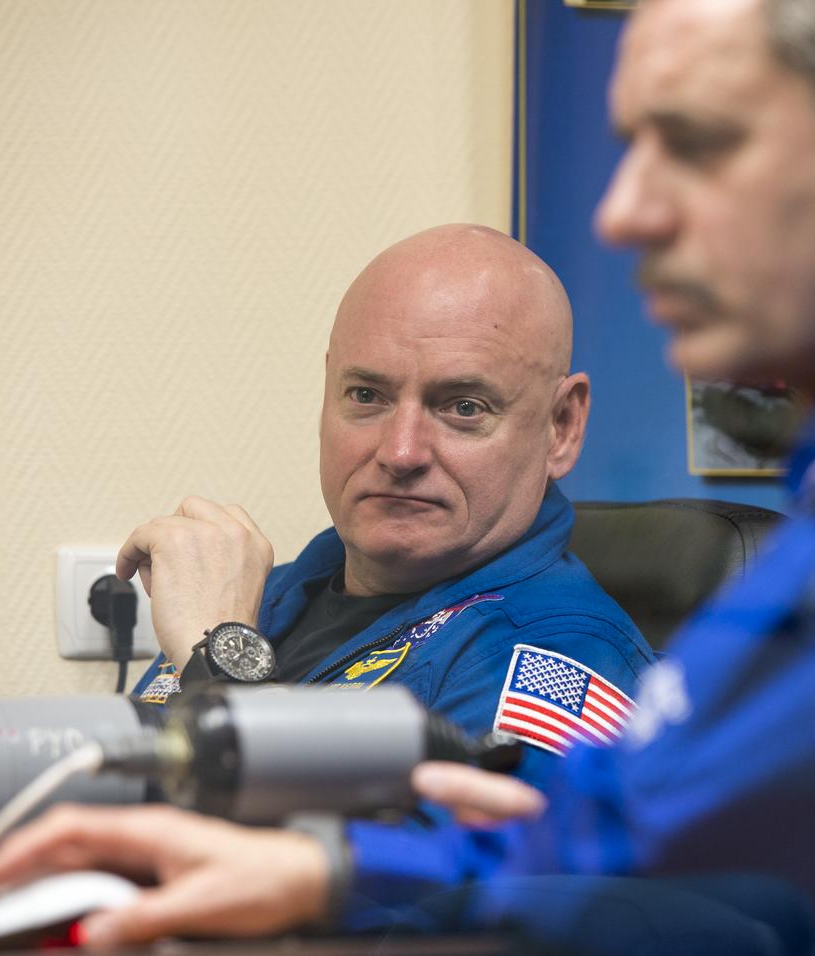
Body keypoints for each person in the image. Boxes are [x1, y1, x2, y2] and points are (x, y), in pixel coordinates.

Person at [0, 0, 815, 950]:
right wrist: (327, 866)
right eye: (364, 395)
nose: (622, 213)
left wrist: (225, 676)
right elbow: (610, 827)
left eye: (696, 143)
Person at [122, 223, 653, 788]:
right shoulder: (262, 597)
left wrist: (221, 658)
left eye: (464, 407)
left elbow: (364, 872)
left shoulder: (556, 662)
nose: (401, 452)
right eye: (367, 396)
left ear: (561, 427)